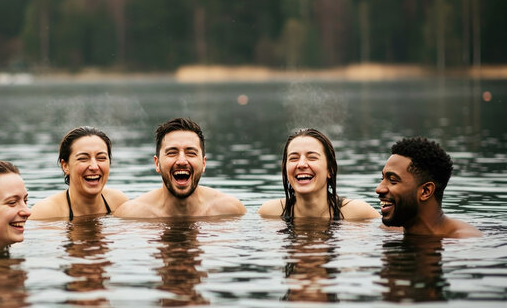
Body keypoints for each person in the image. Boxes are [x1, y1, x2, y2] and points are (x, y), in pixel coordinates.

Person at [114, 118, 246, 218]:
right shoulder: (131, 215)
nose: (182, 161)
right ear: (157, 163)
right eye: (172, 153)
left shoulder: (231, 210)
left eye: (191, 153)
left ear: (204, 163)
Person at [258, 128, 378, 220]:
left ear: (330, 170)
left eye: (312, 157)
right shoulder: (270, 213)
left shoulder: (358, 214)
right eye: (294, 158)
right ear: (285, 169)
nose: (301, 164)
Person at [376, 137, 482, 238]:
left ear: (425, 191)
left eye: (393, 180)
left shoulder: (464, 242)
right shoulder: (389, 230)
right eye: (382, 179)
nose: (379, 189)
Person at [31, 126, 127, 220]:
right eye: (83, 158)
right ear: (65, 166)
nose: (94, 167)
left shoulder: (118, 203)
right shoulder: (45, 213)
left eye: (101, 158)